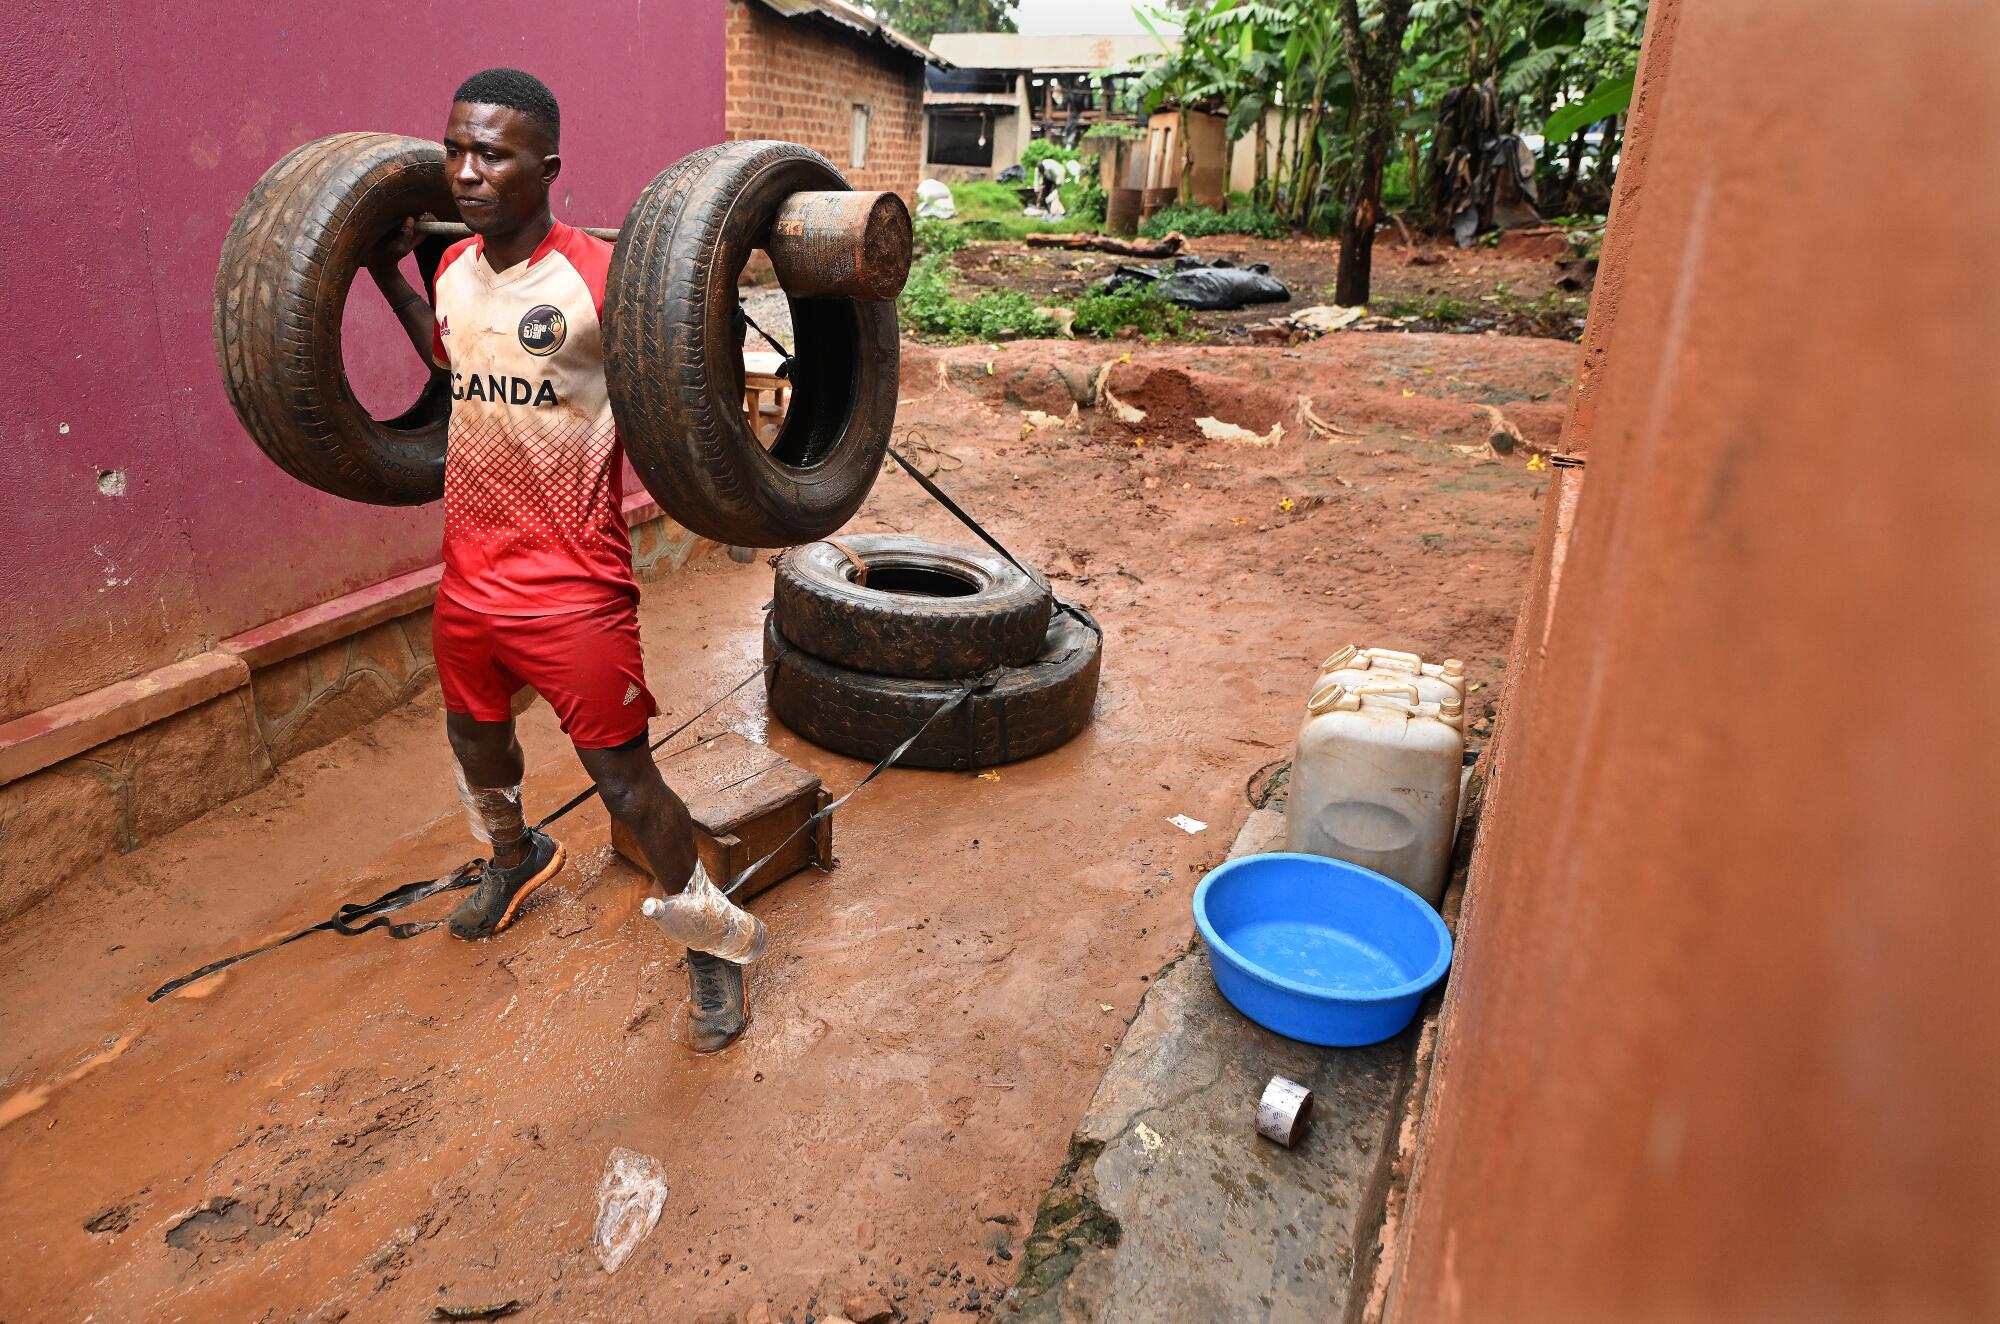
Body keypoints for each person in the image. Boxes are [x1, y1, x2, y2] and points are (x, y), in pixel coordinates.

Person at [365, 68, 749, 1052]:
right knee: (474, 743)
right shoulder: (450, 271)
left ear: (548, 167)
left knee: (626, 787)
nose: (466, 171)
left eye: (490, 153)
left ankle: (712, 943)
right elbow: (450, 361)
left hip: (574, 587)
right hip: (469, 579)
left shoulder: (600, 279)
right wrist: (381, 273)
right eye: (455, 149)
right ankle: (513, 853)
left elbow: (682, 384)